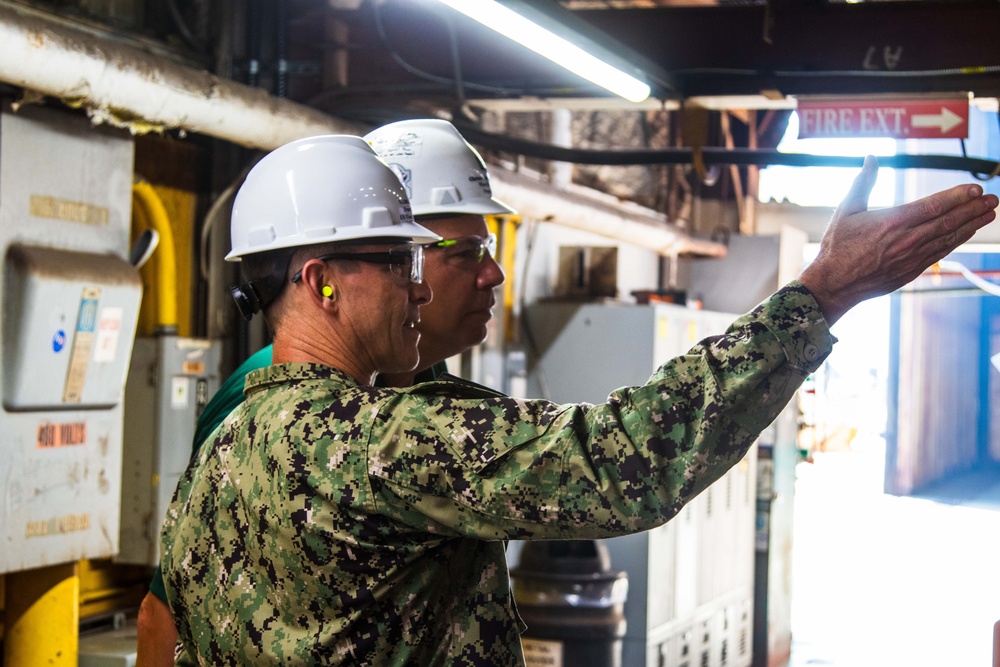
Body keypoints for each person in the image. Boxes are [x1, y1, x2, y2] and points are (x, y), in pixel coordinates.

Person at [160, 129, 998, 665]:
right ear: (322, 283)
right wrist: (818, 295)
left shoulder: (223, 445)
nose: (418, 284)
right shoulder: (379, 441)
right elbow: (624, 459)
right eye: (398, 261)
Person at [136, 119, 515, 666]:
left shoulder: (427, 389)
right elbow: (166, 610)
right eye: (463, 251)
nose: (493, 274)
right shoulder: (267, 398)